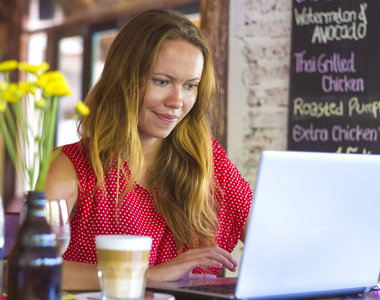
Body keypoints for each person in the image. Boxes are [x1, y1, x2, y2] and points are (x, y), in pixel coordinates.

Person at [45, 9, 252, 291]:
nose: (177, 101)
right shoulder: (72, 166)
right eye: (162, 81)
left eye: (190, 85)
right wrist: (146, 274)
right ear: (124, 79)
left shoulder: (209, 161)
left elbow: (269, 242)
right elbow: (25, 268)